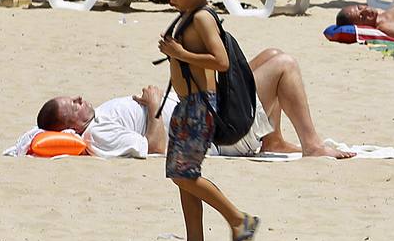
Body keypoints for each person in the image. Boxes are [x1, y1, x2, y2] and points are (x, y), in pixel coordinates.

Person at [143, 0, 260, 241]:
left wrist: (181, 53)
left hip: (199, 107)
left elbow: (220, 62)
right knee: (185, 175)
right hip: (187, 104)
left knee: (182, 174)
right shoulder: (188, 15)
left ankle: (239, 220)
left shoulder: (204, 18)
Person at [35, 48, 353, 161]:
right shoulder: (98, 133)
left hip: (207, 112)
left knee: (269, 54)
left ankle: (273, 140)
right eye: (72, 106)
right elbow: (157, 148)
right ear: (70, 127)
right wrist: (155, 102)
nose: (78, 99)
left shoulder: (99, 117)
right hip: (218, 133)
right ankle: (311, 145)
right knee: (284, 65)